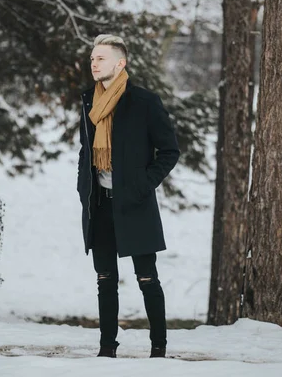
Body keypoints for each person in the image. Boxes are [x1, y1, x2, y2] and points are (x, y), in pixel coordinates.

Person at [77, 33, 180, 359]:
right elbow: (86, 151)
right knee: (105, 279)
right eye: (92, 58)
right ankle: (107, 350)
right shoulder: (89, 101)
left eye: (101, 58)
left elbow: (169, 151)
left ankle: (159, 350)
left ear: (120, 63)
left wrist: (142, 184)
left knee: (147, 278)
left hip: (135, 203)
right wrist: (83, 188)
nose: (94, 64)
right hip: (100, 205)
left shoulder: (143, 101)